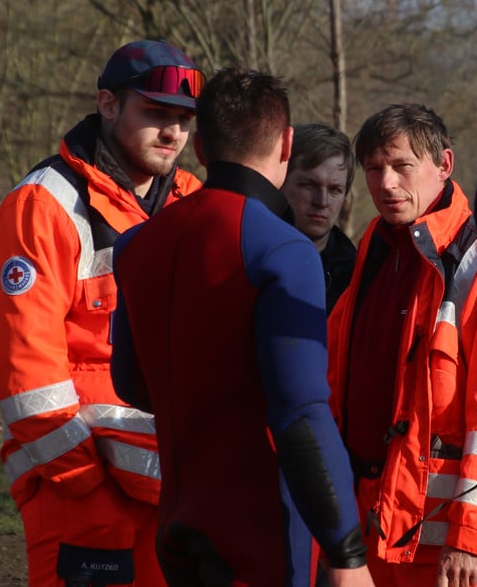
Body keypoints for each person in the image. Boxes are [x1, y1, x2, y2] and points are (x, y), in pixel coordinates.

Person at [109, 65, 373, 587]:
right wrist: (347, 551)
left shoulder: (136, 244)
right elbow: (300, 413)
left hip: (178, 524)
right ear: (286, 144)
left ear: (200, 148)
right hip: (260, 534)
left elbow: (132, 384)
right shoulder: (282, 248)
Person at [0, 39, 205, 586]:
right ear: (107, 105)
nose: (173, 132)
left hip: (170, 488)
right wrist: (82, 480)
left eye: (184, 119)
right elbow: (23, 368)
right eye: (155, 113)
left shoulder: (192, 200)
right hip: (80, 491)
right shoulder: (43, 206)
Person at [326, 103, 477, 587]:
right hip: (377, 522)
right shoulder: (378, 245)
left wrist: (470, 537)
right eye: (373, 169)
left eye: (402, 166)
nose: (385, 184)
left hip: (455, 543)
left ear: (444, 165)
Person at [281, 122, 357, 311]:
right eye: (309, 185)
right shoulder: (248, 254)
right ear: (281, 181)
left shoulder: (357, 276)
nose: (322, 201)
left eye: (334, 190)